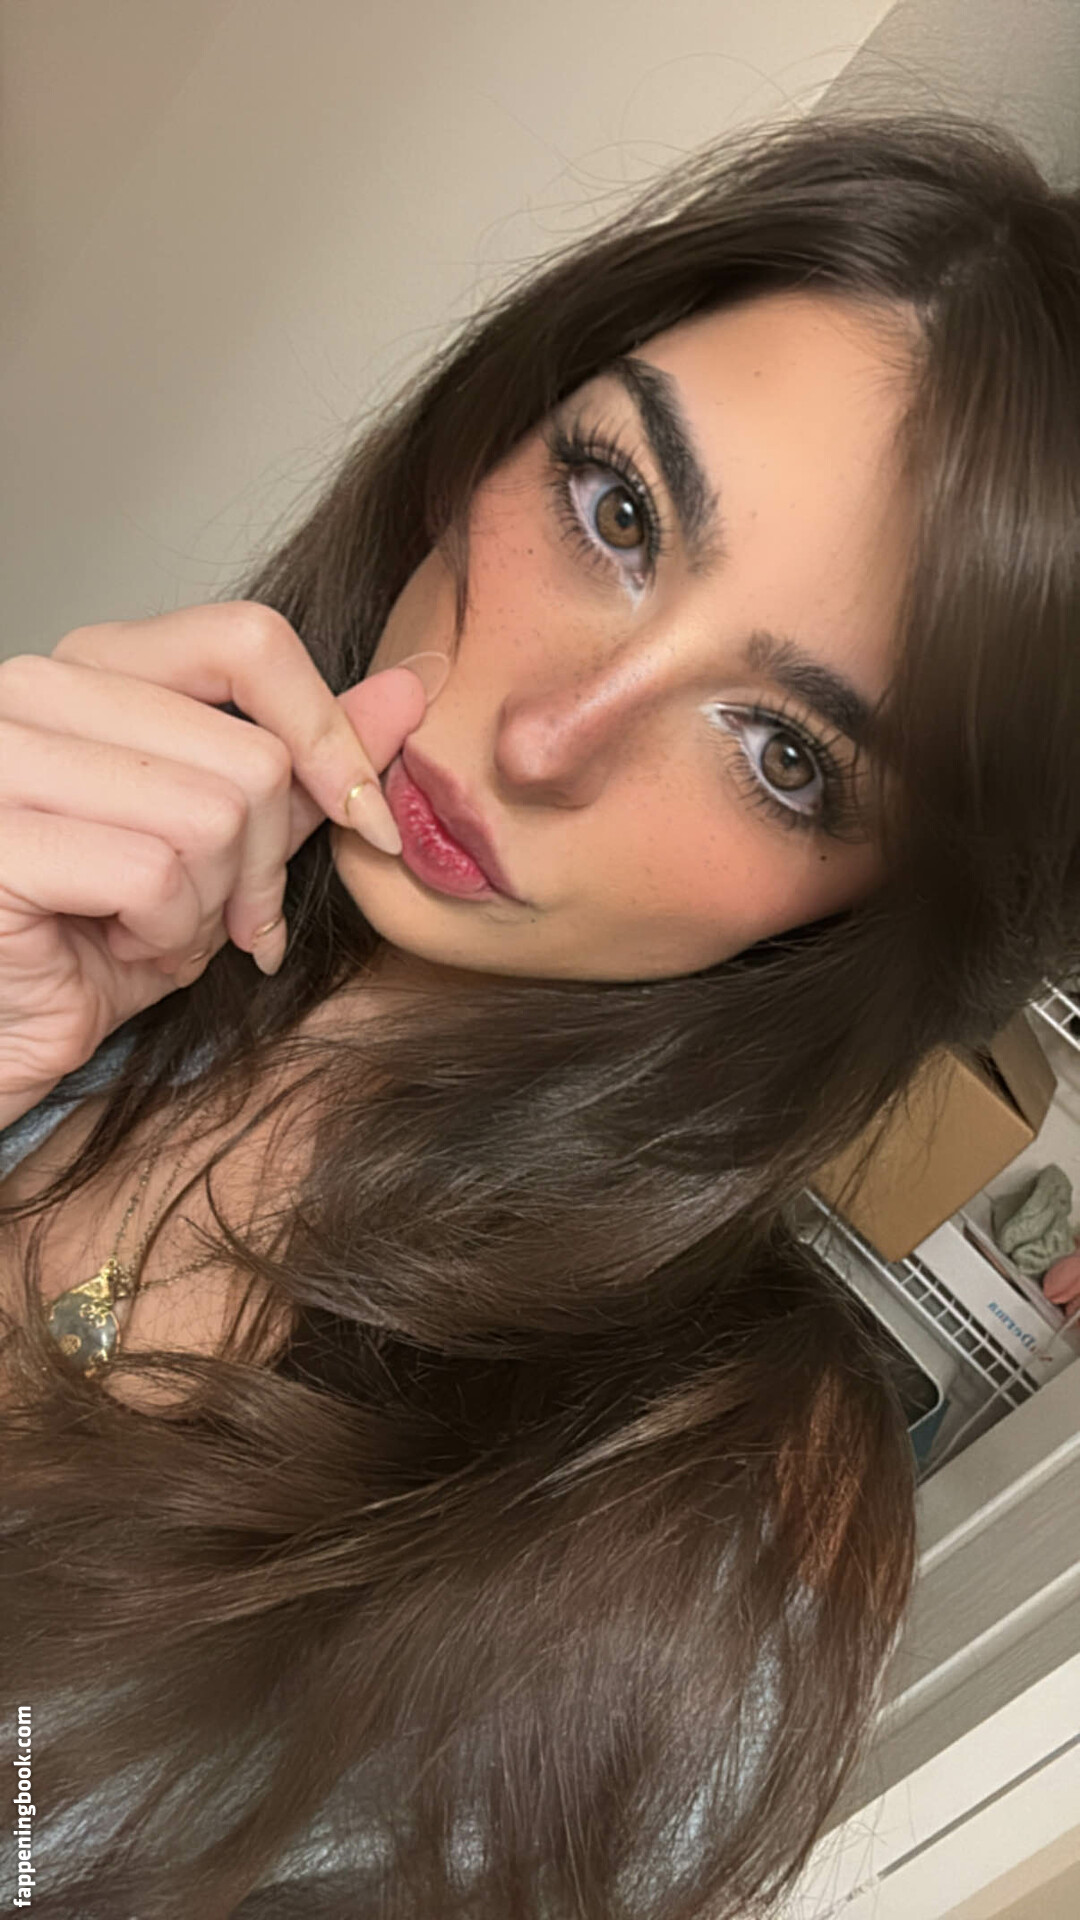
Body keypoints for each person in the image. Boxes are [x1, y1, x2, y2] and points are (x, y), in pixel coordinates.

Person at [1, 104, 1078, 1919]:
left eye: (787, 755)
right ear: (494, 427)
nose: (548, 735)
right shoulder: (86, 929)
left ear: (871, 913)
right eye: (618, 512)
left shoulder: (696, 1525)